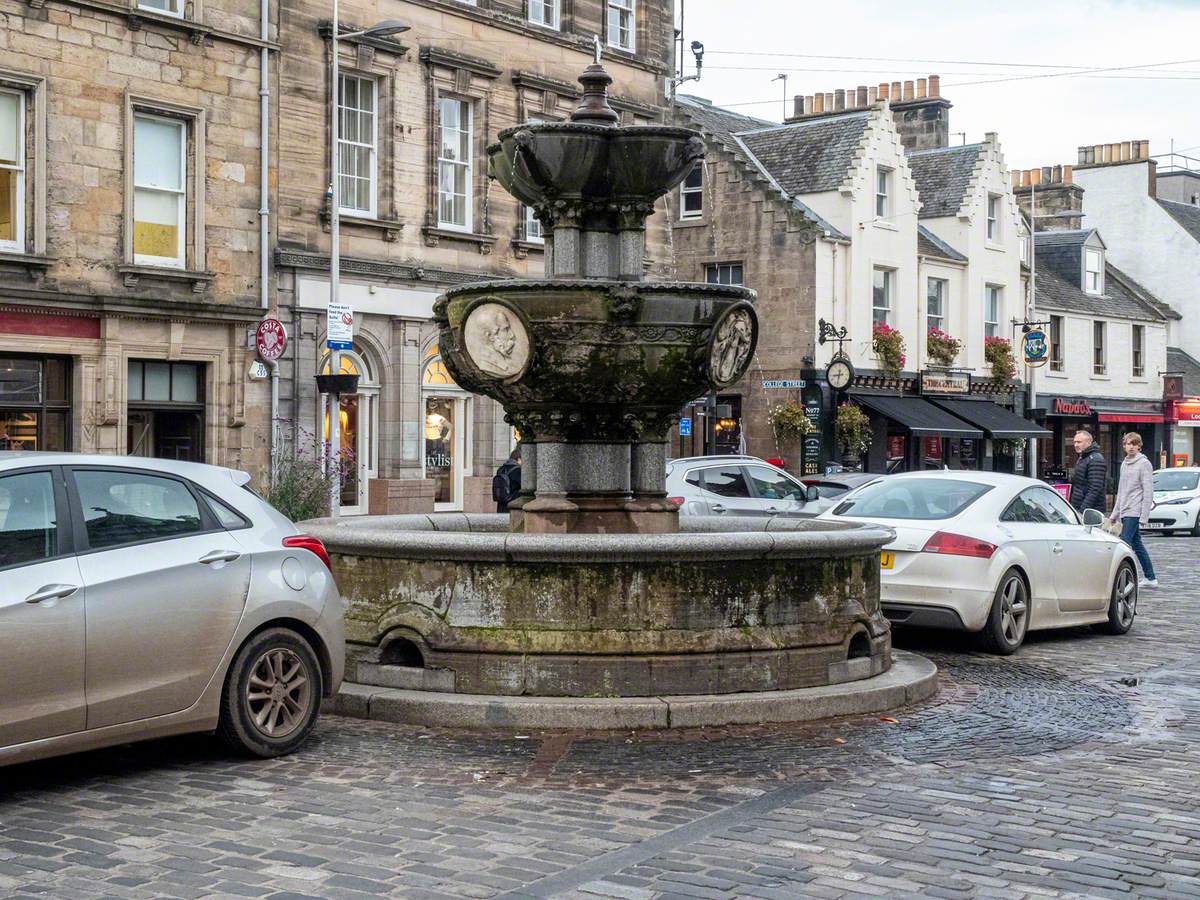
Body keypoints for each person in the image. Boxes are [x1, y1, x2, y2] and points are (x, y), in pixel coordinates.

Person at [1109, 432, 1157, 588]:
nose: (1130, 447)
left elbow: (1148, 491)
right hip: (1124, 510)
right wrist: (1114, 514)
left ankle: (1121, 579)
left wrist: (1144, 516)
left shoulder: (1144, 464)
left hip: (1134, 510)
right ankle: (1150, 577)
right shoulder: (1124, 464)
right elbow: (1122, 491)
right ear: (1124, 446)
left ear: (1139, 446)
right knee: (1137, 545)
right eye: (1127, 444)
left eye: (1134, 444)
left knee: (1124, 544)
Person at [1068, 429, 1107, 515]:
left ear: (1089, 443)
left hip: (1091, 511)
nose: (1076, 445)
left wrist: (1082, 511)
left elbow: (1095, 488)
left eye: (1079, 442)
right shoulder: (1083, 458)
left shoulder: (1095, 459)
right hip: (1081, 507)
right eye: (1074, 442)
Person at [493, 446, 522, 513]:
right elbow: (524, 486)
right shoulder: (518, 470)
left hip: (501, 503)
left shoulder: (501, 469)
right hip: (512, 503)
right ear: (518, 459)